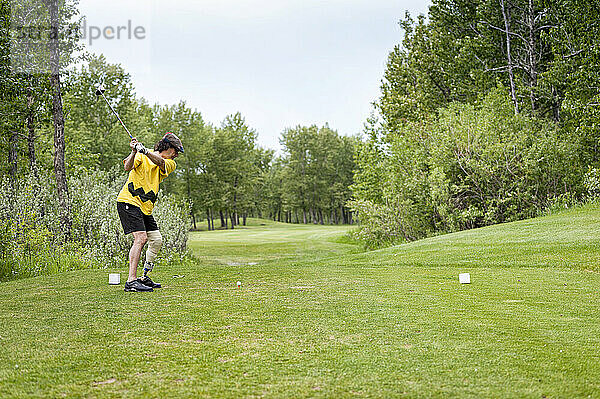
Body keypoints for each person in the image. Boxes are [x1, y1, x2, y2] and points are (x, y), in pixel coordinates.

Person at [116, 133, 184, 292]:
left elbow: (159, 161)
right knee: (141, 237)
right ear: (167, 147)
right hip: (129, 201)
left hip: (145, 207)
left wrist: (144, 151)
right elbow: (127, 167)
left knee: (156, 240)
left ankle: (143, 276)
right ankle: (131, 281)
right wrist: (134, 151)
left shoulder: (169, 163)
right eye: (175, 150)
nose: (176, 154)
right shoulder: (141, 155)